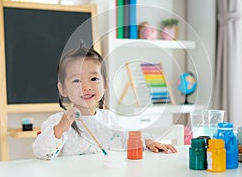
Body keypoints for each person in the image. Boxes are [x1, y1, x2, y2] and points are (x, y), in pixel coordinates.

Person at [32, 45, 176, 160]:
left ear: (105, 84)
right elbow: (40, 152)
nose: (86, 87)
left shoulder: (109, 119)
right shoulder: (57, 121)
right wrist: (59, 129)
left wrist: (148, 142)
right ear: (63, 89)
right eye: (76, 80)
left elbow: (129, 139)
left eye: (94, 79)